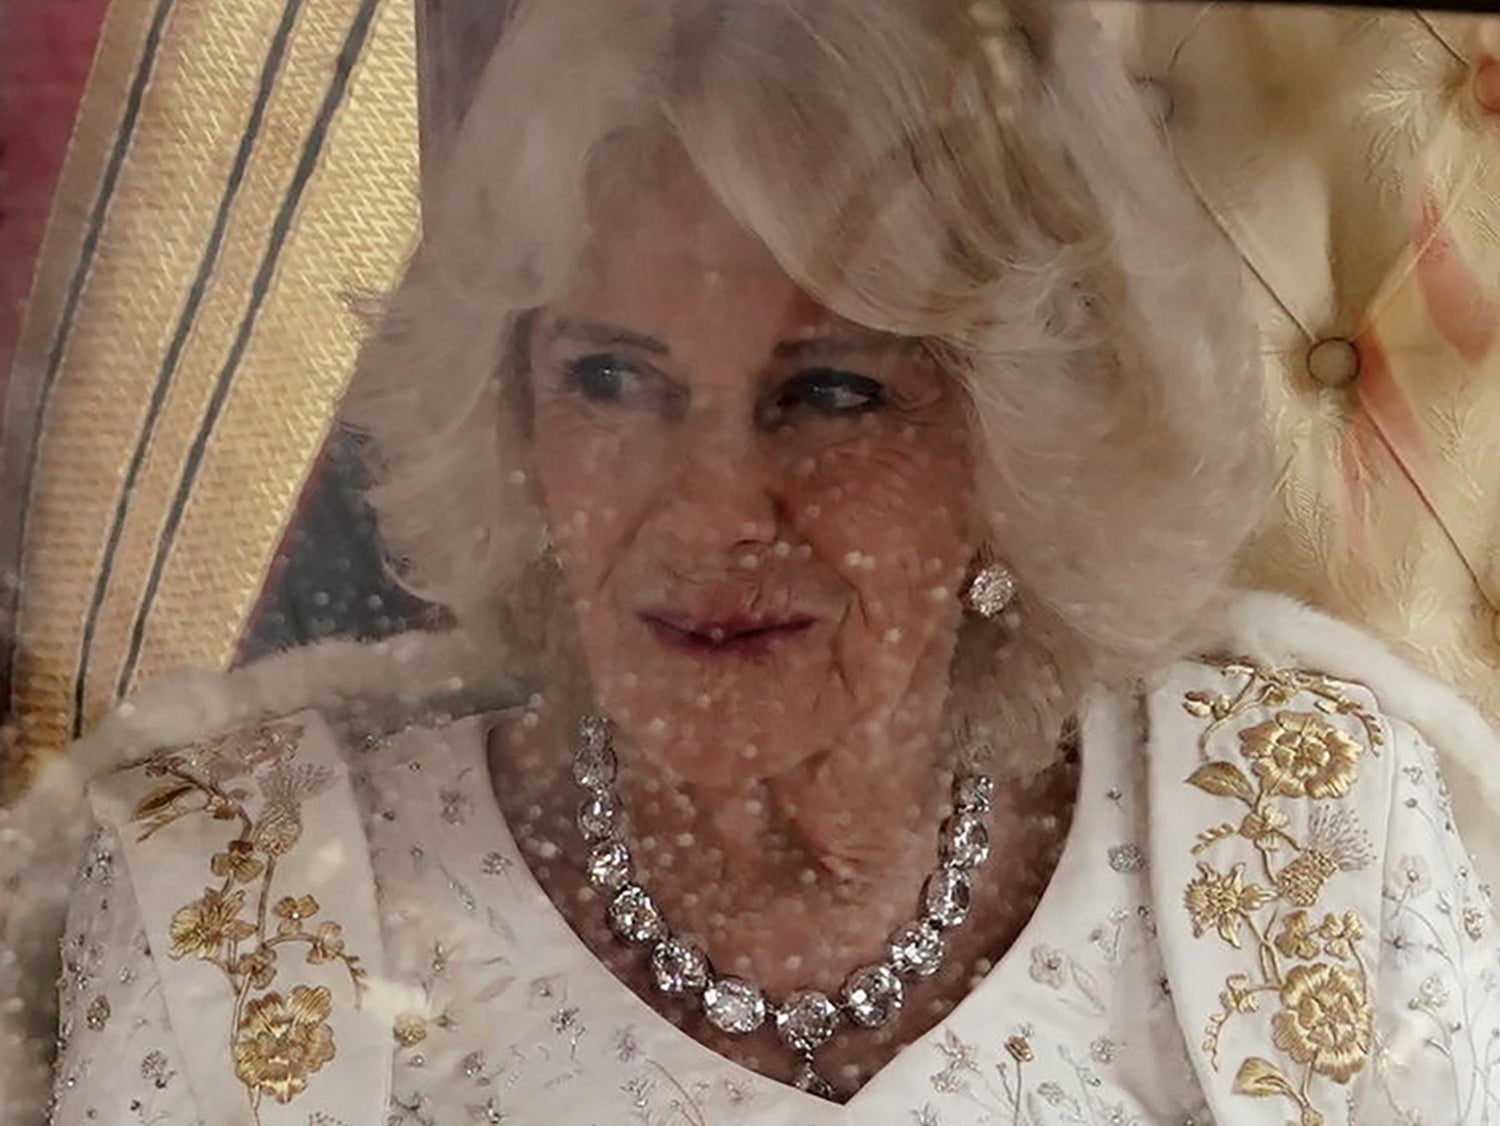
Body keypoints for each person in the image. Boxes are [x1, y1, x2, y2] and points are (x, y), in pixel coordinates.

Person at [5, 0, 1500, 1122]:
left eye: (833, 391)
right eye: (611, 376)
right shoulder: (232, 903)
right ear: (516, 414)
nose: (715, 511)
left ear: (1019, 442)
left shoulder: (1313, 835)